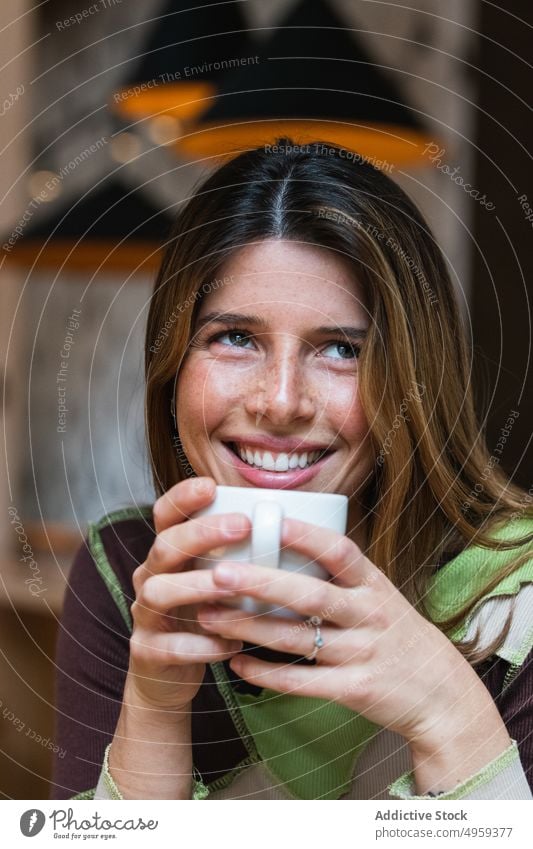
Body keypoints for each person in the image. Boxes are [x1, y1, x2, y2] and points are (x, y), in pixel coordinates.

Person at [51, 139, 533, 801]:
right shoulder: (128, 573)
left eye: (339, 348)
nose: (279, 402)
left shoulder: (513, 600)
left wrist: (444, 708)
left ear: (415, 378)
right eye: (235, 337)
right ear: (173, 364)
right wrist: (155, 710)